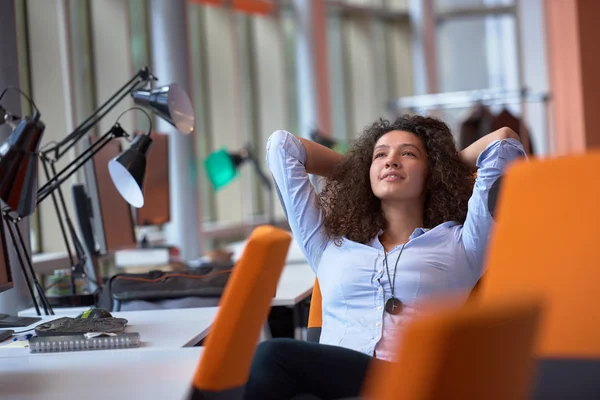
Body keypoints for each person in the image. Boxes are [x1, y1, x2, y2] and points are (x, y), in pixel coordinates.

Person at [245, 115, 525, 399]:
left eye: (408, 154)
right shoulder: (328, 246)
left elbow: (504, 141)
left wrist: (444, 170)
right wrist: (359, 171)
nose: (391, 161)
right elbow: (282, 146)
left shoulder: (464, 243)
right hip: (332, 382)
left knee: (272, 354)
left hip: (414, 382)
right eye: (380, 155)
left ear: (432, 171)